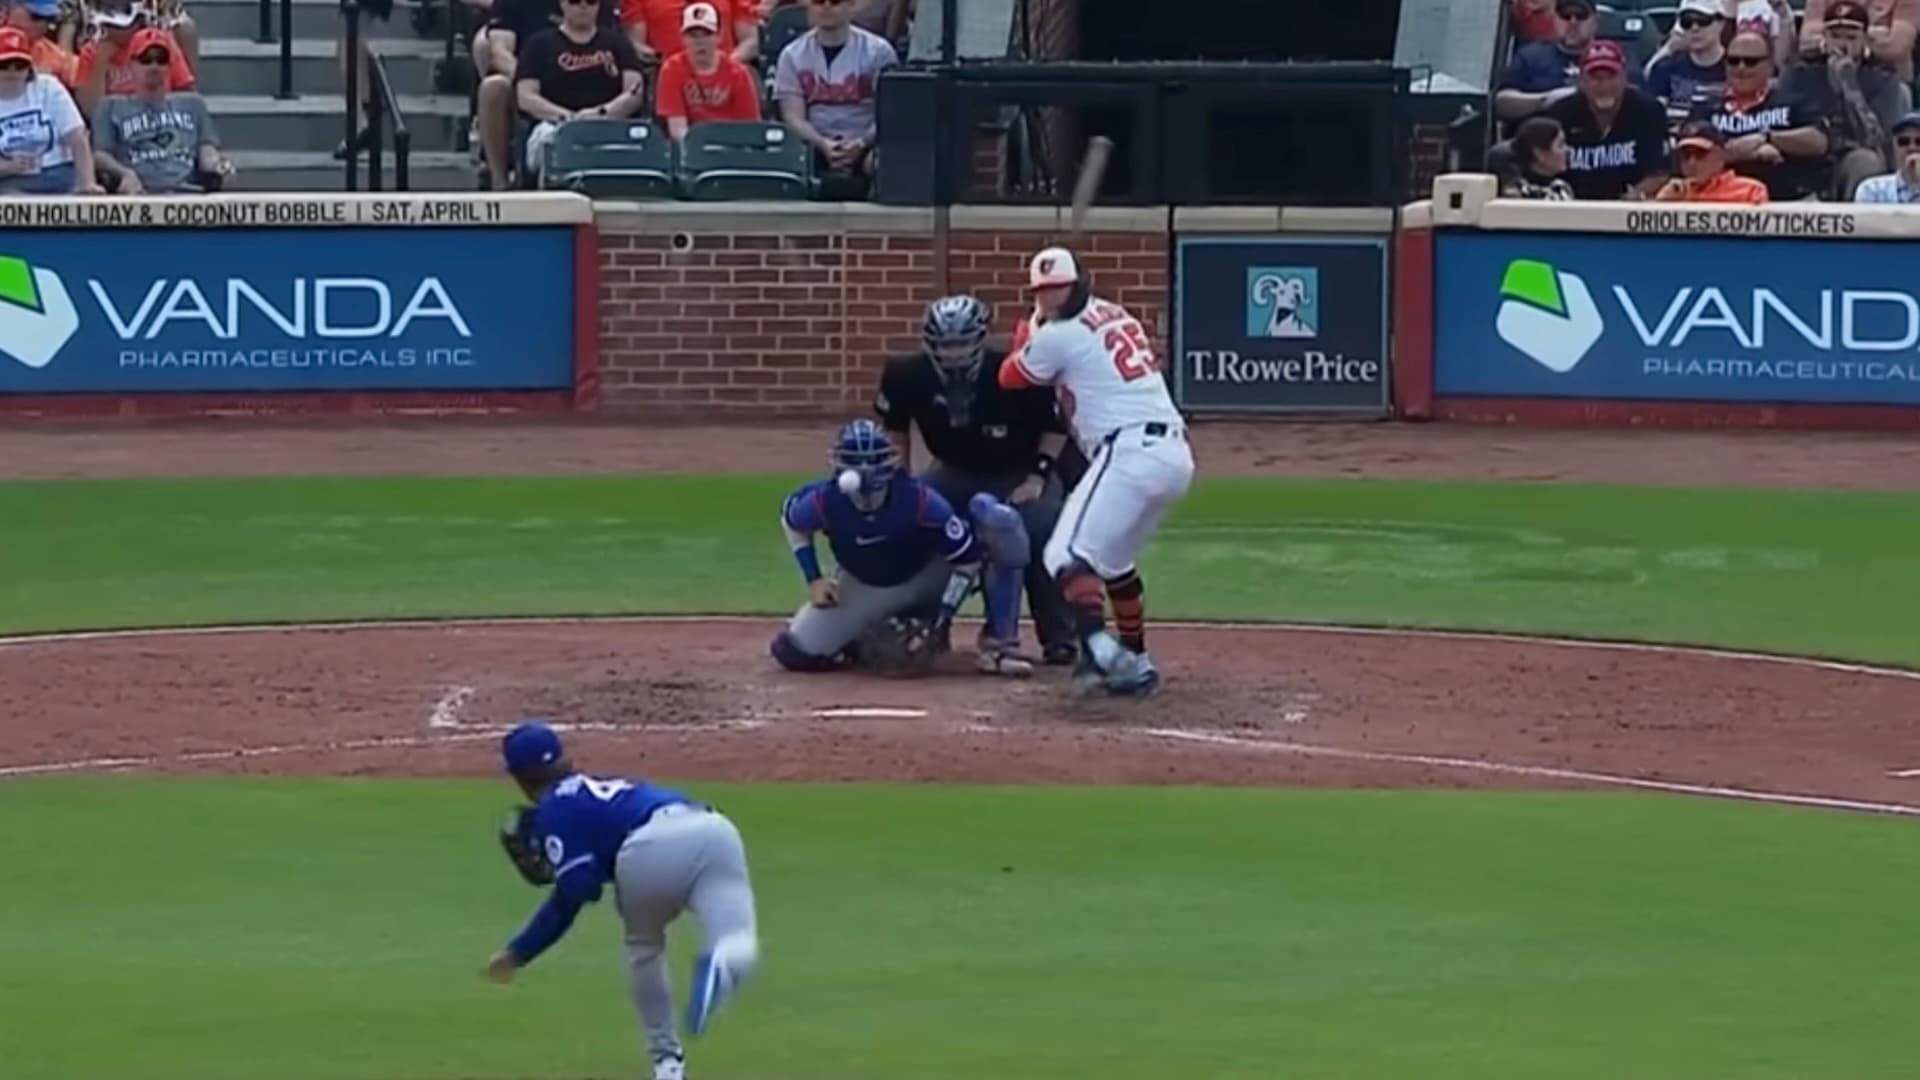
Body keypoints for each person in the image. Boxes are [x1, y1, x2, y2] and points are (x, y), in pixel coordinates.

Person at [487, 720, 759, 1080]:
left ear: (521, 776)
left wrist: (519, 951)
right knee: (736, 936)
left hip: (650, 846)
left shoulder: (555, 806)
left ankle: (668, 1062)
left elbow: (577, 890)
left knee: (644, 947)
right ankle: (725, 963)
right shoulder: (603, 786)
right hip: (713, 829)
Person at [997, 246, 1193, 698]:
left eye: (1059, 288)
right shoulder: (1113, 312)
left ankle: (1101, 652)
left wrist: (1027, 331)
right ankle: (1137, 660)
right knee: (1113, 562)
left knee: (1061, 556)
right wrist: (1040, 329)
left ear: (1077, 283)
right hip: (1172, 457)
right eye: (1043, 292)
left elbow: (1010, 377)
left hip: (1127, 451)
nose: (1052, 298)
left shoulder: (1054, 336)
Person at [874, 295, 1080, 666]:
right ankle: (919, 624)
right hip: (954, 469)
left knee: (1037, 528)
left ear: (980, 339)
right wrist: (901, 486)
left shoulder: (1016, 373)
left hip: (1019, 468)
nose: (953, 353)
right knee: (911, 524)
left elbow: (1055, 429)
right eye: (944, 345)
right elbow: (895, 431)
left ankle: (1059, 634)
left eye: (961, 343)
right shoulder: (905, 375)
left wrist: (1037, 477)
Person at [769, 418, 1037, 677]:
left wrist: (943, 615)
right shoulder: (824, 500)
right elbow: (793, 522)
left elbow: (966, 559)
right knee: (795, 651)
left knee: (1001, 523)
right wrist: (813, 578)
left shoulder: (919, 500)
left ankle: (1001, 646)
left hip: (928, 574)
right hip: (867, 584)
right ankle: (864, 638)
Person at [1779, 0, 1905, 198]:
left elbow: (1877, 140)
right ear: (1824, 37)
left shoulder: (1883, 78)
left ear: (1865, 39)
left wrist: (1849, 85)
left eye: (1851, 37)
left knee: (1865, 161)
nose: (1842, 44)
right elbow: (1781, 120)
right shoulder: (1801, 72)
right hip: (1807, 156)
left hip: (1851, 157)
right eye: (1835, 36)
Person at [515, 0, 646, 185]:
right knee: (547, 142)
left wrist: (601, 114)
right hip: (554, 126)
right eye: (575, 1)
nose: (583, 6)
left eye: (590, 1)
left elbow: (634, 93)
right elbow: (526, 97)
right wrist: (568, 118)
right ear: (562, 4)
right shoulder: (538, 44)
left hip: (609, 124)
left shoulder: (618, 43)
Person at [1691, 31, 1831, 200]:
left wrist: (1767, 138)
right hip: (1721, 201)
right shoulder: (1706, 108)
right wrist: (1750, 152)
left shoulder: (1793, 100)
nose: (1741, 68)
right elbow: (1692, 157)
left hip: (1790, 201)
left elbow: (1818, 143)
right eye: (1733, 61)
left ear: (1770, 66)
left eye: (1751, 62)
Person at [773, 0, 896, 191]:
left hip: (868, 144)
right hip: (813, 146)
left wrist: (861, 143)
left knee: (887, 164)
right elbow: (792, 117)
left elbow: (889, 114)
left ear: (851, 6)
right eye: (819, 2)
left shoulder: (879, 51)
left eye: (836, 2)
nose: (827, 7)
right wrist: (823, 144)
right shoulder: (792, 55)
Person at [92, 27, 227, 193]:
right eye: (146, 59)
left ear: (170, 65)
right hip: (140, 195)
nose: (154, 66)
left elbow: (207, 148)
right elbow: (100, 156)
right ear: (131, 64)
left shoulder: (193, 104)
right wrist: (124, 174)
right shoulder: (111, 106)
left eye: (161, 59)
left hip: (189, 196)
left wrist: (215, 163)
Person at [1545, 40, 1672, 199]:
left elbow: (1659, 173)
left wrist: (1633, 198)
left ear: (1625, 77)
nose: (1604, 86)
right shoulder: (1559, 112)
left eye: (1611, 76)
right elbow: (1543, 169)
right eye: (1595, 78)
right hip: (1571, 207)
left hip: (1629, 211)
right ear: (1581, 80)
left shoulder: (1649, 111)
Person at [0, 25, 100, 193]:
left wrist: (87, 183)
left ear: (29, 67)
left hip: (59, 171)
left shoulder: (48, 87)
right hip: (10, 181)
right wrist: (7, 167)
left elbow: (77, 137)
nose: (13, 71)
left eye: (19, 65)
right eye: (4, 65)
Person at [655, 1, 761, 139]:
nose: (700, 41)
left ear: (719, 36)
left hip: (731, 147)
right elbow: (677, 130)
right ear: (683, 38)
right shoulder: (671, 69)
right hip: (691, 150)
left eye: (707, 34)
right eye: (693, 35)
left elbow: (749, 127)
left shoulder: (738, 74)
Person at [1495, 0, 1601, 123]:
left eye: (1581, 16)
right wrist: (1546, 100)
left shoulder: (1613, 55)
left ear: (1596, 21)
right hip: (1541, 136)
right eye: (1565, 16)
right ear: (1554, 19)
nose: (1573, 22)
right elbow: (1501, 104)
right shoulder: (1530, 56)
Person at [1645, 0, 1728, 128]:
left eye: (1703, 20)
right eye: (1687, 22)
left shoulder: (1737, 65)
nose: (1695, 28)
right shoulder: (1665, 68)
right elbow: (1652, 118)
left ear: (1720, 23)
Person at [1654, 118, 1769, 200]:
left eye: (1700, 154)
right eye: (1686, 155)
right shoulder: (1674, 193)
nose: (1692, 162)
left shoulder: (1750, 190)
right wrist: (1663, 204)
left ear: (1720, 155)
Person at [625, 0, 759, 63]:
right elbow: (636, 44)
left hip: (725, 73)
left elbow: (750, 41)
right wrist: (664, 64)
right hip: (664, 73)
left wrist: (725, 65)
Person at [1495, 114, 1576, 198]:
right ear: (1539, 154)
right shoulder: (1515, 192)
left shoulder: (1561, 188)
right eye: (1560, 145)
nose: (1568, 150)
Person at [5, 0, 77, 86]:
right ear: (11, 7)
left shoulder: (49, 53)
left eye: (49, 19)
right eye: (36, 16)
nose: (42, 25)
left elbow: (80, 74)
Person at [1855, 110, 1920, 199]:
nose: (1912, 148)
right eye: (1903, 142)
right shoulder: (1872, 189)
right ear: (1894, 147)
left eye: (1919, 142)